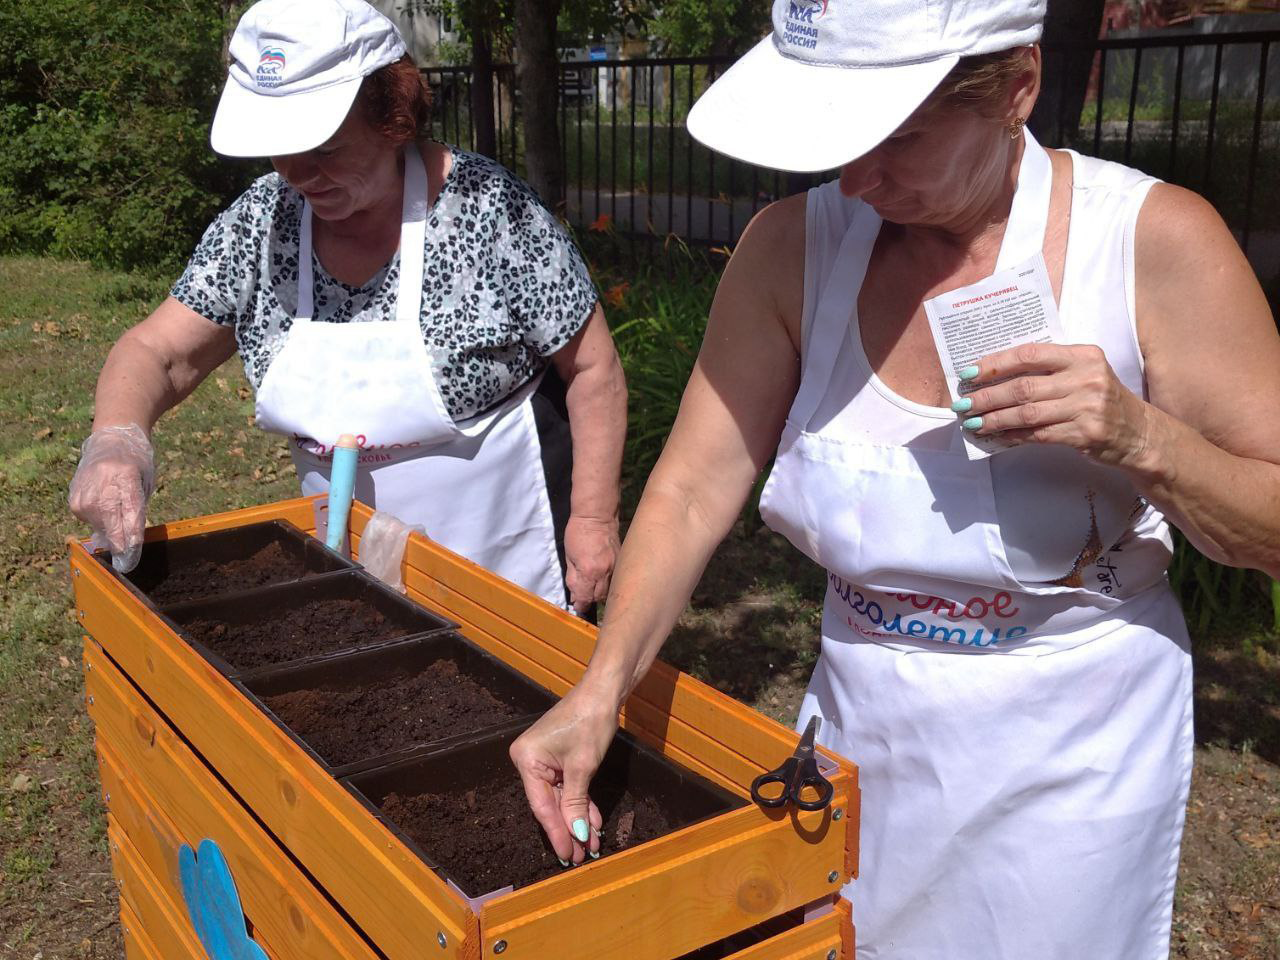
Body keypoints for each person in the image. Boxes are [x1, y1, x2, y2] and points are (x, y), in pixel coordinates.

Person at [510, 1, 1280, 956]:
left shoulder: (1151, 243)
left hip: (1070, 760)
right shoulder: (793, 250)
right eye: (839, 138)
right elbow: (691, 491)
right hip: (862, 735)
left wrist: (1141, 438)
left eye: (898, 141)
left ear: (1018, 89)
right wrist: (600, 692)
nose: (857, 177)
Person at [68, 0, 626, 616]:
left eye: (324, 149)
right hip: (348, 556)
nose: (298, 173)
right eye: (278, 150)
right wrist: (117, 439)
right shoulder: (264, 222)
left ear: (392, 116)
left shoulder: (492, 212)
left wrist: (594, 520)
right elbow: (159, 352)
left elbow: (593, 369)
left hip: (505, 552)